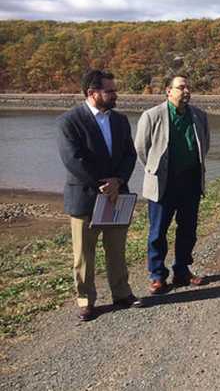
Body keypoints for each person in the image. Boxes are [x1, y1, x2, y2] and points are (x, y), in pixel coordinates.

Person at [56, 70, 140, 321]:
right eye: (110, 91)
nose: (116, 95)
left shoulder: (120, 120)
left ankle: (122, 294)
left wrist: (119, 181)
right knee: (84, 254)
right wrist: (102, 184)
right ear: (92, 93)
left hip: (116, 195)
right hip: (85, 197)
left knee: (116, 249)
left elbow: (130, 155)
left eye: (114, 90)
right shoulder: (69, 121)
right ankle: (86, 301)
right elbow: (73, 160)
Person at [134, 75, 210, 295]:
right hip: (163, 183)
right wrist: (155, 169)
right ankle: (157, 276)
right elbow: (141, 148)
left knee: (188, 229)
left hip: (191, 181)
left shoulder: (199, 116)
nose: (186, 91)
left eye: (188, 87)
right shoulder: (152, 116)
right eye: (181, 87)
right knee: (158, 232)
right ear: (168, 91)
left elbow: (204, 145)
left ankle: (182, 270)